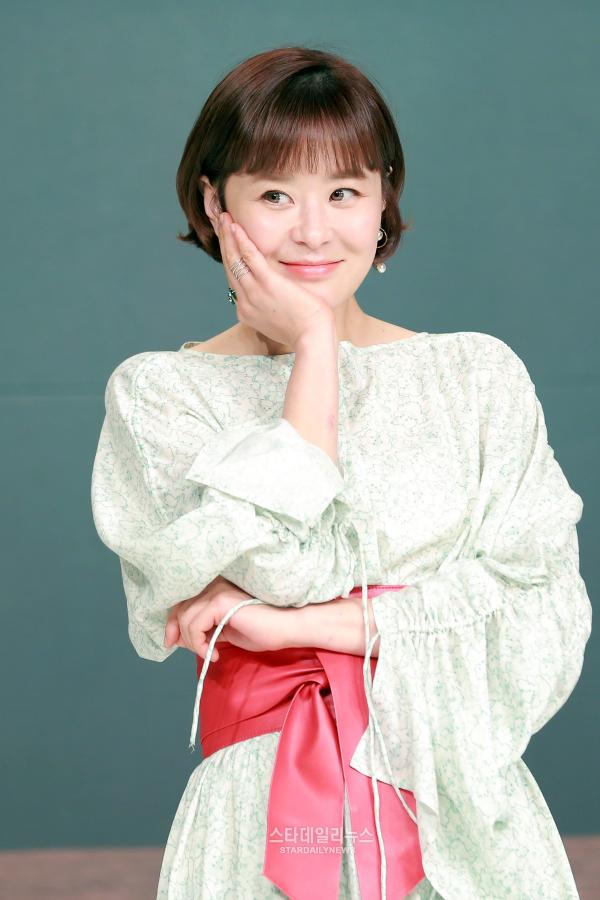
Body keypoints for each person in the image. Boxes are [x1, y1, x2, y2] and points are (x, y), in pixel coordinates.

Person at [90, 46, 592, 900]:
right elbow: (278, 565)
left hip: (461, 813)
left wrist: (292, 628)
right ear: (214, 203)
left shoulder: (476, 377)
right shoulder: (159, 396)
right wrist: (316, 351)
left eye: (345, 192)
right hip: (260, 822)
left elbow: (539, 615)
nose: (313, 231)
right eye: (275, 195)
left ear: (384, 199)